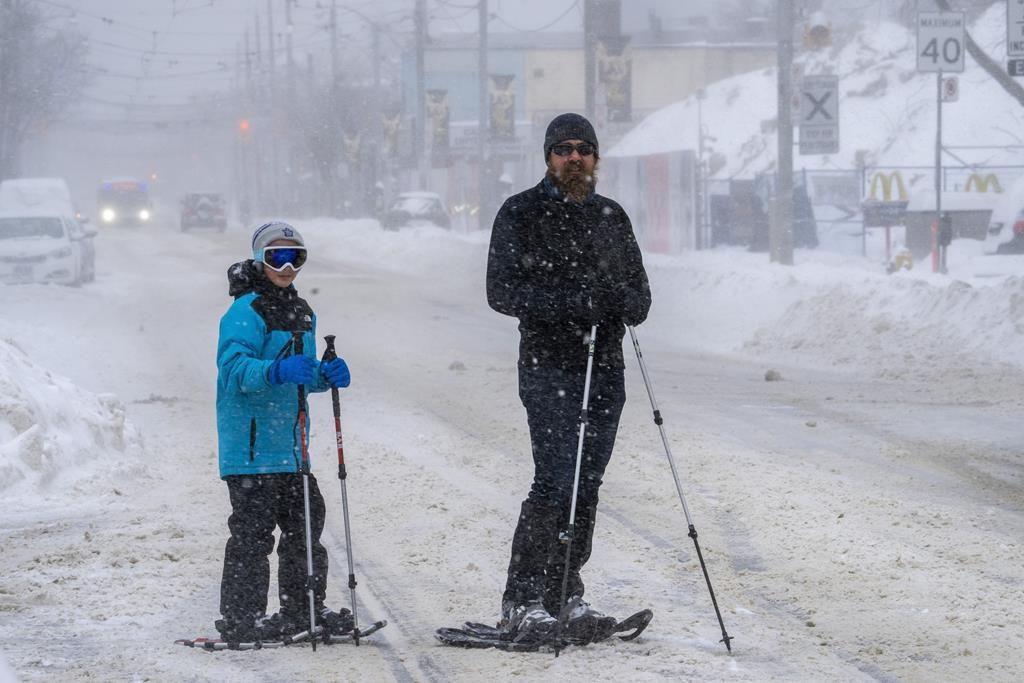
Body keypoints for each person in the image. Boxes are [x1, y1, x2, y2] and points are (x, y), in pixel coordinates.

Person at [486, 113, 651, 640]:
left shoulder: (611, 216)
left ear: (596, 157)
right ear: (548, 158)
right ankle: (523, 598)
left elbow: (640, 297)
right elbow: (501, 292)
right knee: (555, 480)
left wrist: (617, 302)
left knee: (587, 485)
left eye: (583, 148)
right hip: (549, 366)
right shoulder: (521, 213)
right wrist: (571, 304)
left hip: (604, 370)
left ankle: (564, 591)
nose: (573, 157)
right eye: (562, 149)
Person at [214, 221, 354, 642]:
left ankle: (303, 608)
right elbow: (234, 371)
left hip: (293, 451)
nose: (287, 265)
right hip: (252, 451)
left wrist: (323, 377)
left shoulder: (302, 311)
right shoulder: (244, 311)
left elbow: (302, 376)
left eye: (296, 257)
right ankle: (242, 617)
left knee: (307, 531)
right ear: (260, 258)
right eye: (277, 256)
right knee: (253, 536)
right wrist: (275, 369)